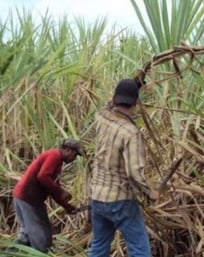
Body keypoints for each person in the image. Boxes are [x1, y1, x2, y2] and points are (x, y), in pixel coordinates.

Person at [89, 78, 160, 257]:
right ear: (136, 103)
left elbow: (107, 105)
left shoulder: (100, 117)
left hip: (97, 196)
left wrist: (133, 82)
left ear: (114, 99)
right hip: (119, 200)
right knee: (140, 250)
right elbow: (134, 173)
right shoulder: (130, 132)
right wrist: (149, 192)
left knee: (98, 246)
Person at [10, 138, 83, 253]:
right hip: (28, 198)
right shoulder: (54, 156)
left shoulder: (57, 163)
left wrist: (68, 207)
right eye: (75, 155)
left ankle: (10, 253)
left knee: (29, 231)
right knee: (40, 234)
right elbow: (43, 177)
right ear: (68, 150)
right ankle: (41, 253)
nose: (74, 159)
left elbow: (53, 189)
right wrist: (61, 191)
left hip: (26, 197)